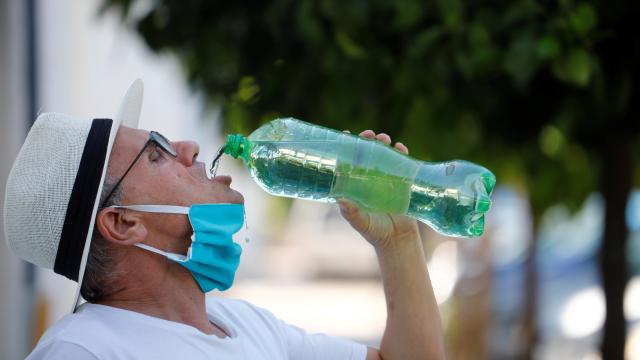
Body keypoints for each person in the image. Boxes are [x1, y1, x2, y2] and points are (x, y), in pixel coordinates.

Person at [4, 80, 445, 359]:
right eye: (156, 155)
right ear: (122, 224)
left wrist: (399, 241)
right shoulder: (85, 350)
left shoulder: (244, 325)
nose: (190, 148)